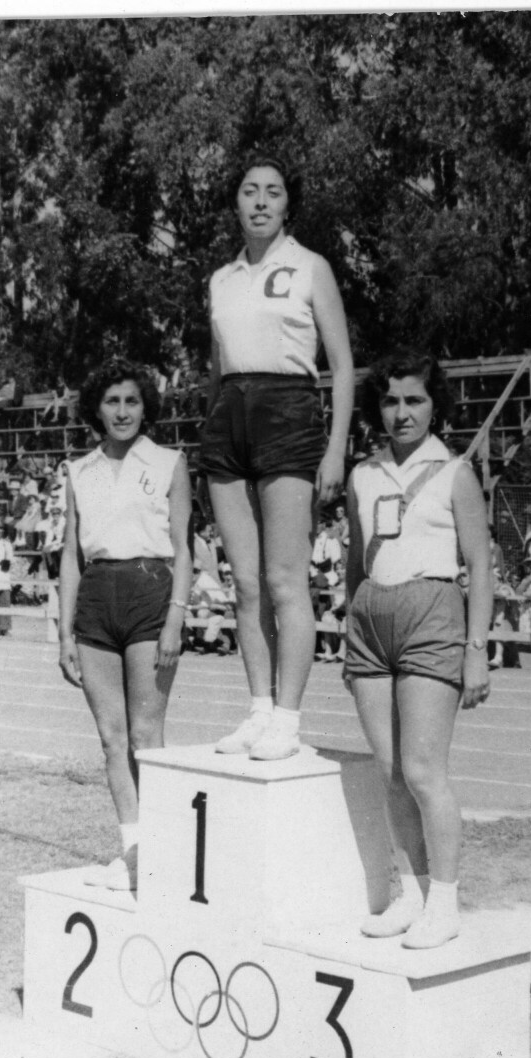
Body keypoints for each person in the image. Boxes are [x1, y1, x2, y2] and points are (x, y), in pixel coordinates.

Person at [199, 152, 354, 760]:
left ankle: (289, 715)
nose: (260, 202)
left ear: (289, 203)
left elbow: (340, 366)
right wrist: (214, 426)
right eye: (248, 191)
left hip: (288, 411)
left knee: (286, 580)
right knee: (244, 584)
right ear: (235, 203)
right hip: (229, 416)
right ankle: (259, 710)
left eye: (273, 192)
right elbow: (215, 369)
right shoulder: (220, 279)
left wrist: (335, 448)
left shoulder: (310, 267)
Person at [343, 350, 492, 950]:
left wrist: (476, 648)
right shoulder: (363, 474)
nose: (401, 413)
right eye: (390, 400)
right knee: (389, 772)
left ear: (435, 406)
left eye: (414, 400)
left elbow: (480, 565)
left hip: (432, 616)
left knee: (424, 770)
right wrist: (351, 626)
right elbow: (356, 561)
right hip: (371, 620)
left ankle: (446, 903)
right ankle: (411, 891)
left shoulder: (455, 472)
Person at [58, 358, 192, 892]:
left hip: (150, 592)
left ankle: (163, 853)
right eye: (112, 401)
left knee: (145, 735)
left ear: (146, 407)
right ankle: (134, 850)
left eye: (131, 401)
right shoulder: (78, 470)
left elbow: (184, 548)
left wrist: (176, 618)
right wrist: (65, 632)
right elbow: (70, 552)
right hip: (96, 597)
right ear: (96, 407)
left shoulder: (168, 463)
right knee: (113, 741)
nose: (121, 411)